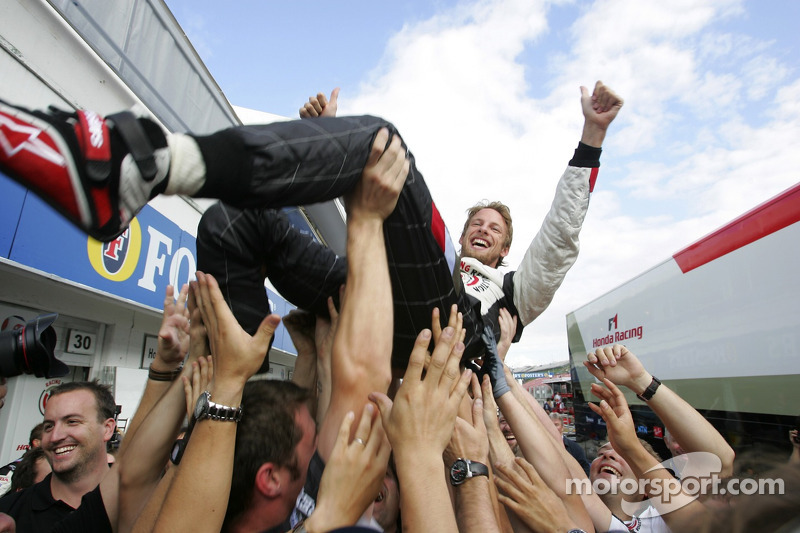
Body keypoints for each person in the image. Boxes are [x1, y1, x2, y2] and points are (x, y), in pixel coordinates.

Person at [0, 80, 622, 369]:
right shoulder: (425, 245)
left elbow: (560, 244)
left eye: (494, 229)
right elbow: (374, 217)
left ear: (506, 247)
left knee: (386, 143)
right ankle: (235, 381)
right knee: (230, 222)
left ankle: (145, 165)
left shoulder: (511, 295)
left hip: (436, 339)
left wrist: (591, 138)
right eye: (476, 223)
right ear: (457, 233)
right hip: (364, 294)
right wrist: (330, 138)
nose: (483, 230)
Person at [0, 381, 116, 532]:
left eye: (72, 422)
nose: (55, 436)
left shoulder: (140, 504)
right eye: (48, 426)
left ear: (107, 429)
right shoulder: (9, 513)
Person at [550, 412, 591, 476]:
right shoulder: (541, 447)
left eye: (556, 424)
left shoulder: (575, 448)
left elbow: (585, 469)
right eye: (550, 425)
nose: (553, 427)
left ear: (562, 427)